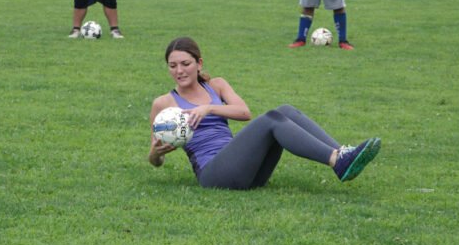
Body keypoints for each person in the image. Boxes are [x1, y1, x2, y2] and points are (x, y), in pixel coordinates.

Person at [149, 37, 381, 190]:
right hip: (214, 175)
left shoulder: (217, 85)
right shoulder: (164, 103)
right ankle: (337, 161)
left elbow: (244, 112)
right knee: (271, 120)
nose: (179, 71)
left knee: (285, 111)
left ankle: (342, 154)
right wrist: (156, 153)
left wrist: (208, 107)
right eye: (172, 65)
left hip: (247, 171)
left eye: (185, 63)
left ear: (199, 64)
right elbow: (155, 161)